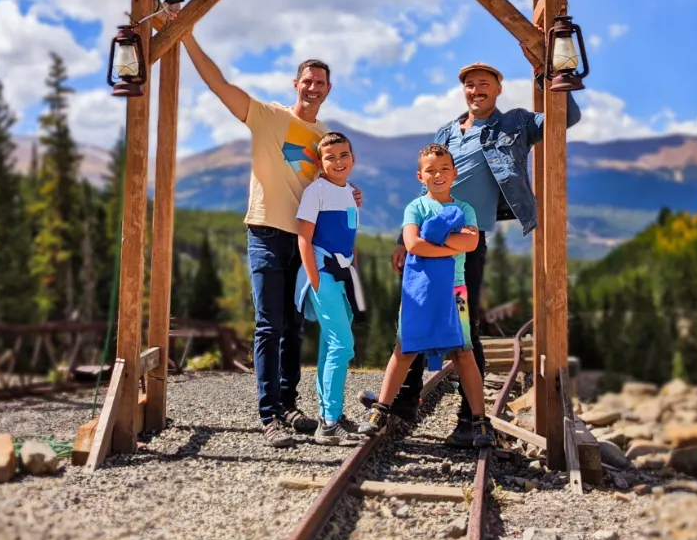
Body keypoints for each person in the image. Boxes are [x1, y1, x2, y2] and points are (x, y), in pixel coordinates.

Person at [360, 53, 581, 446]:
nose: (476, 90)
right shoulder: (447, 132)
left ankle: (469, 420)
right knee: (417, 320)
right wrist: (402, 239)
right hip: (426, 243)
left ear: (497, 89)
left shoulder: (516, 122)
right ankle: (403, 405)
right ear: (463, 91)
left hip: (468, 242)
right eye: (470, 84)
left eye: (484, 84)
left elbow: (566, 119)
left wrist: (553, 75)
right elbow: (424, 186)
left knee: (466, 329)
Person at [180, 26, 357, 447]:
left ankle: (290, 405)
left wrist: (352, 191)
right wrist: (186, 36)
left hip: (304, 240)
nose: (313, 88)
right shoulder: (267, 115)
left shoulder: (324, 139)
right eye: (307, 81)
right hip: (264, 231)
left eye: (320, 83)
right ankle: (269, 416)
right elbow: (217, 83)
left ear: (328, 90)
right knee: (268, 326)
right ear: (295, 84)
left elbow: (327, 184)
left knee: (294, 327)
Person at [358, 144, 495, 448]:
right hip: (417, 291)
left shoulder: (466, 209)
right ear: (421, 176)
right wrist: (451, 245)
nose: (438, 175)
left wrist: (433, 240)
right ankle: (381, 410)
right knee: (405, 348)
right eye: (431, 170)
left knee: (463, 352)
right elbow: (413, 244)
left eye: (444, 169)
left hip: (455, 291)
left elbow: (471, 244)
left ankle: (480, 421)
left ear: (454, 173)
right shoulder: (415, 208)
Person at [296, 131, 365, 446]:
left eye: (344, 155)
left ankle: (328, 416)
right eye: (330, 157)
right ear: (320, 163)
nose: (338, 161)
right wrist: (315, 278)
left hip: (344, 277)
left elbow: (349, 237)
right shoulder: (315, 192)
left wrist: (354, 274)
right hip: (322, 274)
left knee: (330, 345)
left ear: (353, 158)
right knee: (343, 345)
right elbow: (304, 238)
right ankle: (329, 423)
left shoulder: (352, 193)